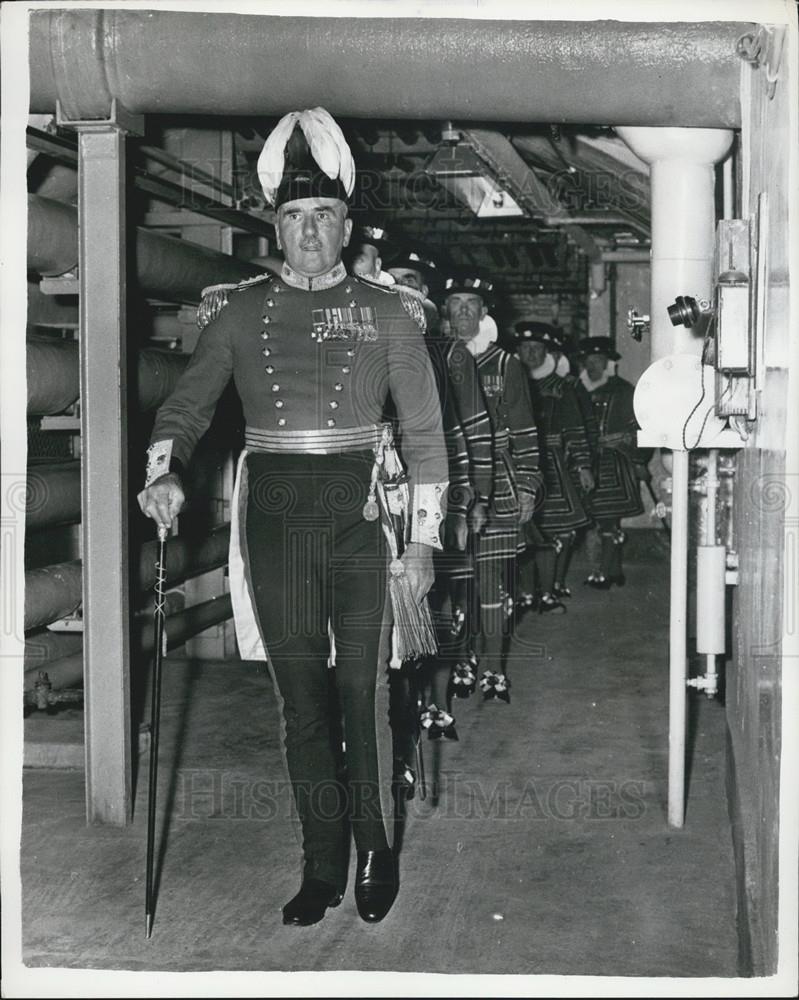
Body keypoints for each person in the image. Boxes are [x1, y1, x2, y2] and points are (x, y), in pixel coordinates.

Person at [138, 108, 448, 926]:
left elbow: (423, 436)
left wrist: (420, 542)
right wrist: (163, 472)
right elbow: (185, 408)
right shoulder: (237, 314)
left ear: (348, 224)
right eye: (292, 218)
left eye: (323, 217)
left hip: (359, 513)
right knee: (301, 698)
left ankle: (376, 846)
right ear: (273, 227)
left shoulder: (390, 313)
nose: (308, 233)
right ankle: (321, 862)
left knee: (363, 690)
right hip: (274, 513)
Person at [386, 250, 493, 741]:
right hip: (380, 503)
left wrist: (468, 499)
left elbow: (458, 434)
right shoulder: (373, 343)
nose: (405, 289)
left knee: (437, 606)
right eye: (397, 280)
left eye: (414, 282)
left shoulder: (447, 355)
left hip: (429, 499)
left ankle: (438, 706)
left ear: (426, 299)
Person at [443, 275, 540, 704]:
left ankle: (495, 669)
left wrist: (529, 486)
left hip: (499, 486)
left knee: (490, 581)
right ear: (446, 312)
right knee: (455, 583)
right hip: (450, 484)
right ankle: (462, 660)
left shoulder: (505, 364)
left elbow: (525, 430)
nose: (463, 311)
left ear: (484, 313)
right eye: (455, 304)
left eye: (471, 304)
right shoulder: (436, 358)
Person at [514, 322, 594, 612]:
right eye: (525, 348)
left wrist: (584, 465)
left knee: (552, 532)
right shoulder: (509, 380)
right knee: (521, 531)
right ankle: (524, 594)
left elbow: (575, 429)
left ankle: (547, 592)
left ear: (547, 352)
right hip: (517, 464)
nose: (531, 354)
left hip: (553, 467)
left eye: (537, 349)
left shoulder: (562, 387)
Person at [576, 336, 648, 588]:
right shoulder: (576, 389)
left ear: (607, 362)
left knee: (609, 518)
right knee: (591, 519)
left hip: (615, 464)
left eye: (599, 360)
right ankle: (605, 570)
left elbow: (639, 428)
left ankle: (607, 572)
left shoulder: (623, 390)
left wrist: (636, 455)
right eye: (589, 360)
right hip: (584, 462)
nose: (594, 365)